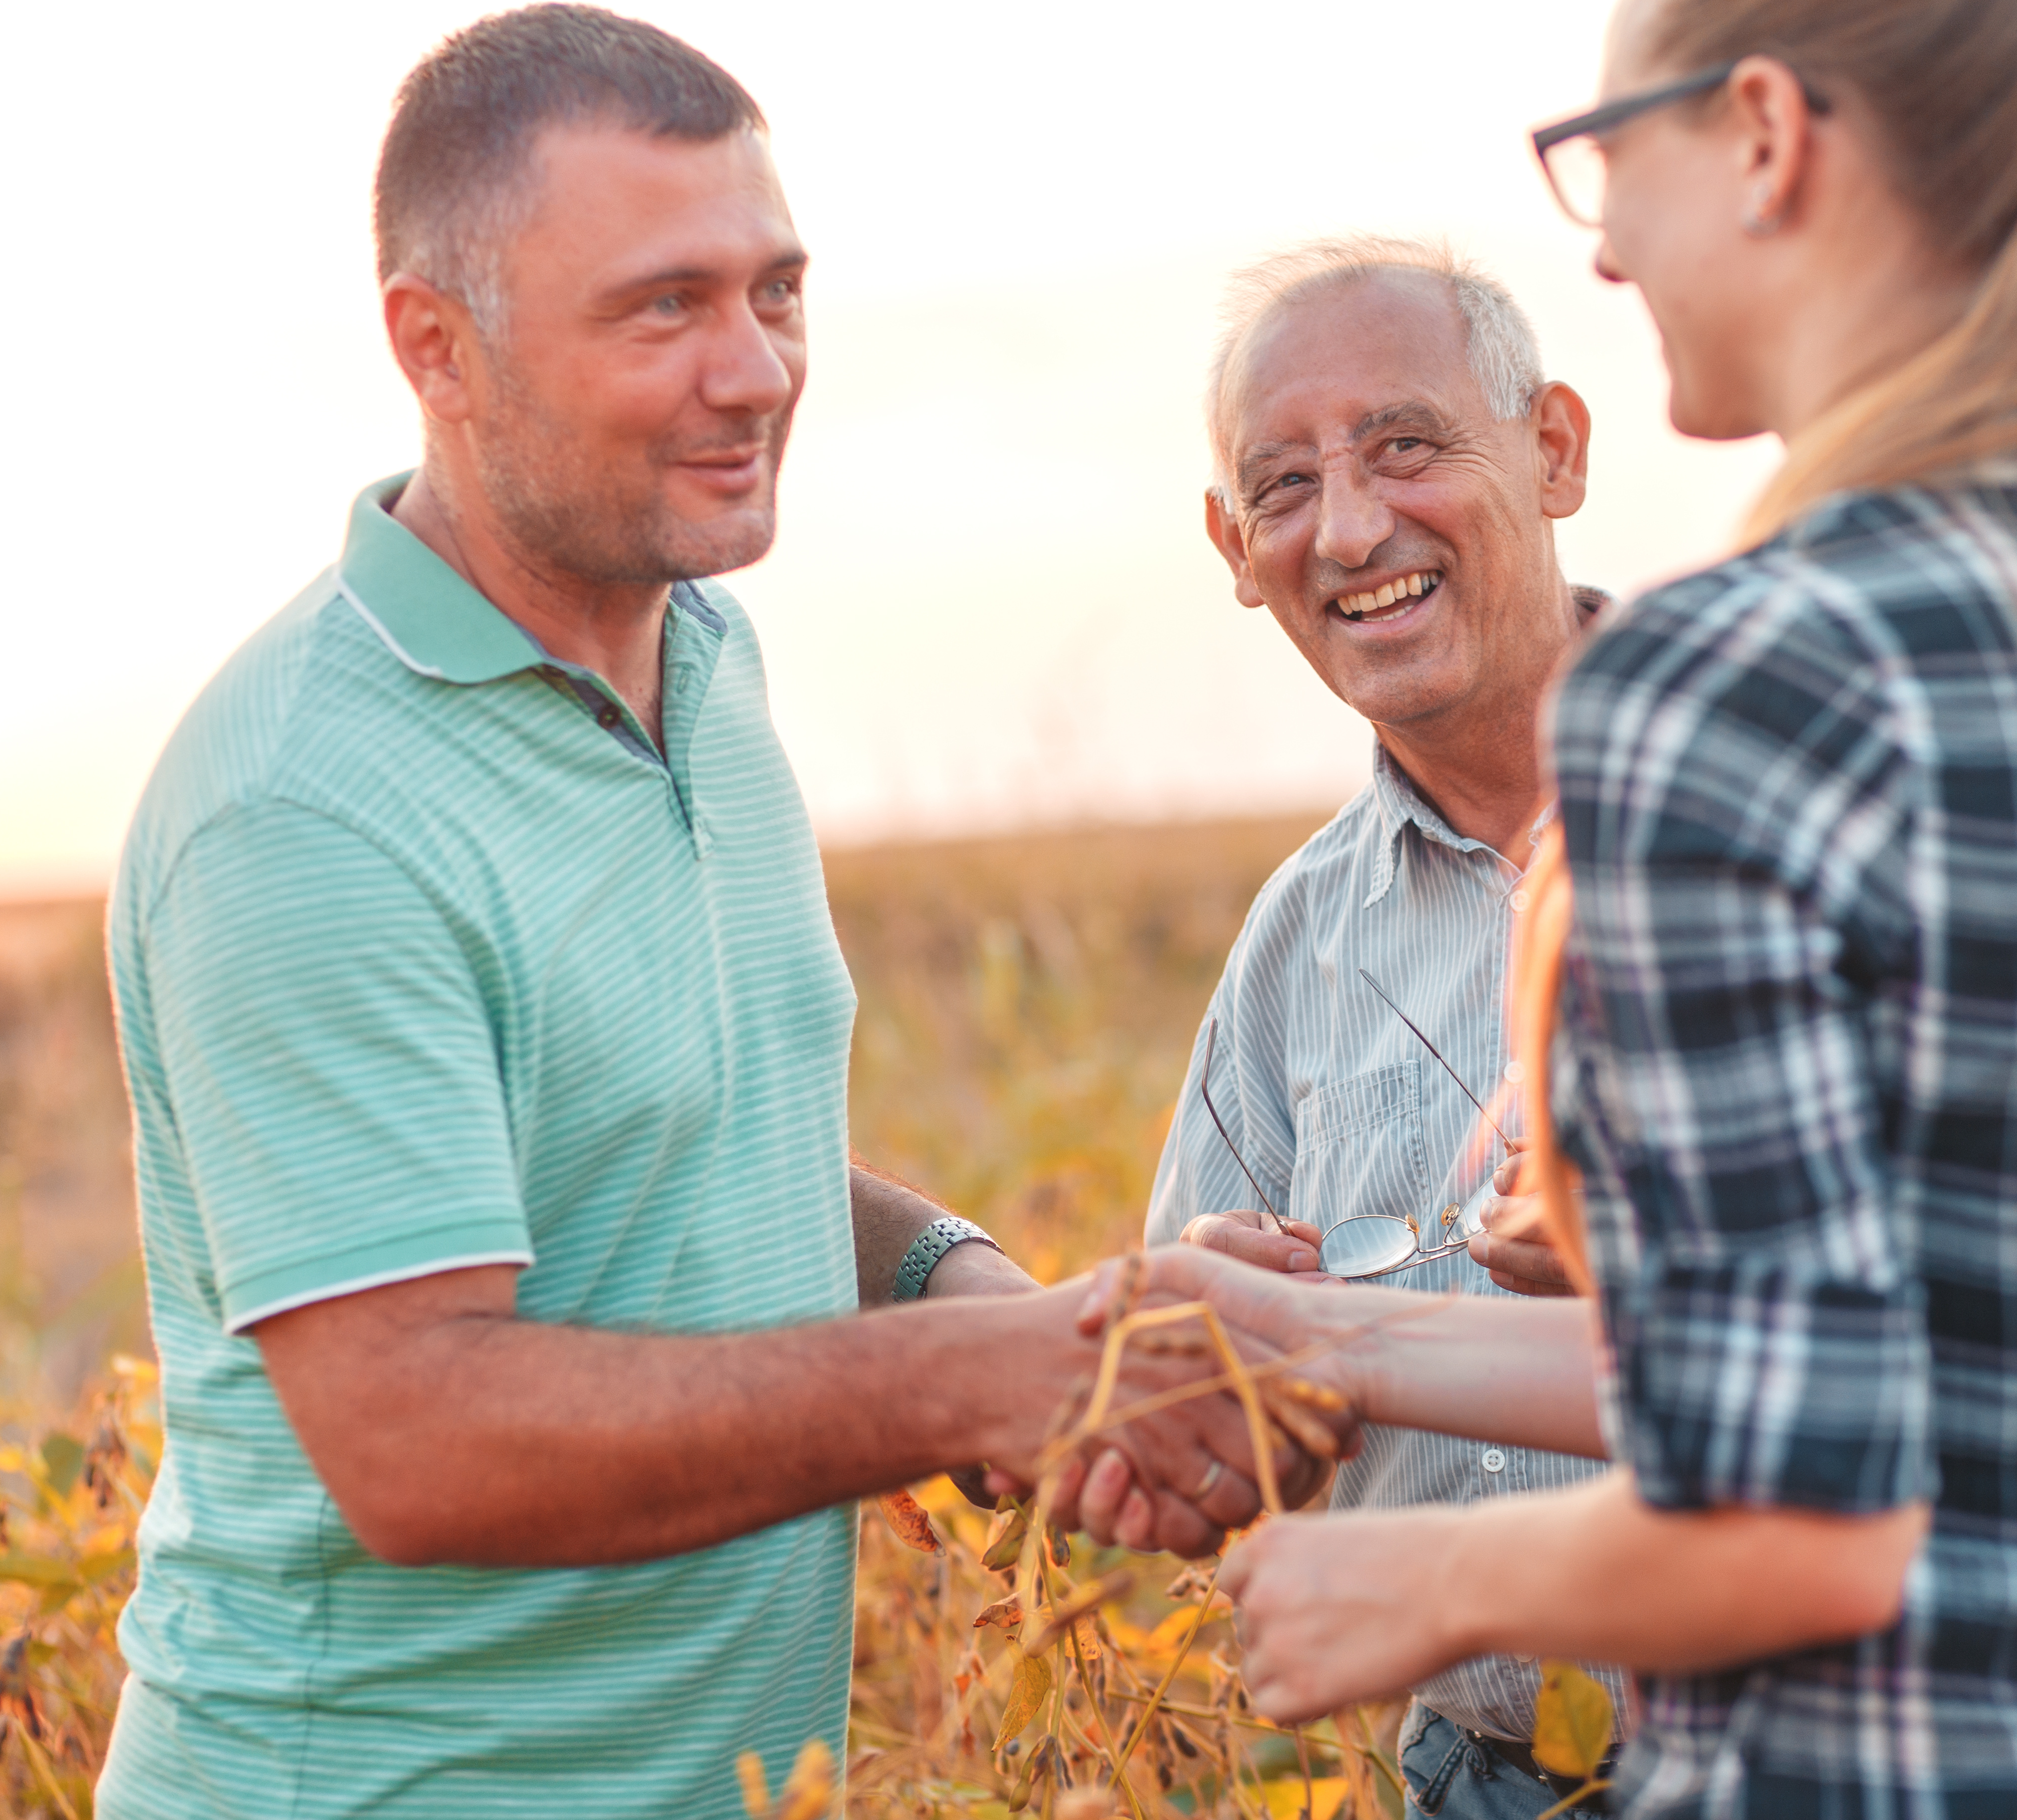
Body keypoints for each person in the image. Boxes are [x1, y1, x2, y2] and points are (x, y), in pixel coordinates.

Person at [1107, 1, 2017, 1817]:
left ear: (1766, 134)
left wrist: (1425, 1576)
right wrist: (1327, 1338)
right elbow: (1987, 1373)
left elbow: (1814, 1505)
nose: (1609, 242)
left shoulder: (1729, 692)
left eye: (1608, 156)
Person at [95, 11, 1336, 1817]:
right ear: (435, 347)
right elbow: (420, 1442)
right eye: (662, 307)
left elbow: (674, 1159)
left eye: (778, 291)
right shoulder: (303, 807)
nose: (754, 373)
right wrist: (988, 1381)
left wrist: (985, 1300)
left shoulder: (708, 660)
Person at [1116, 237, 1629, 1816]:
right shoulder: (1297, 940)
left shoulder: (1789, 806)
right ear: (1231, 542)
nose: (1349, 530)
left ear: (1553, 451)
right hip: (1478, 1782)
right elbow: (1186, 1420)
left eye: (1407, 448)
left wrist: (1656, 1264)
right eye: (1282, 487)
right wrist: (1218, 1338)